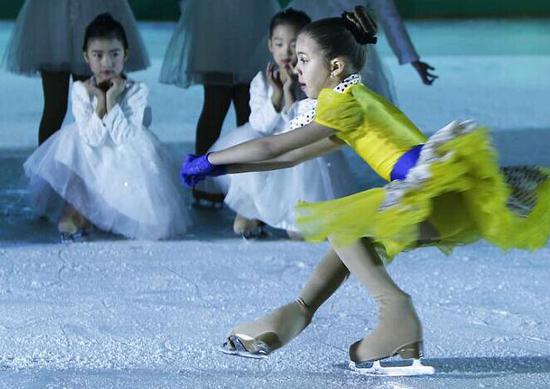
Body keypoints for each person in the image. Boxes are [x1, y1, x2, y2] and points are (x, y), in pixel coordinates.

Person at [180, 7, 550, 375]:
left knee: (345, 229)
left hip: (432, 194)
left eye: (305, 59)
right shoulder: (349, 102)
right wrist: (221, 167)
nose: (296, 67)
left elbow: (273, 147)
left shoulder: (345, 104)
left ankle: (397, 315)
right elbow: (287, 159)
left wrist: (210, 159)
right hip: (442, 199)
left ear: (336, 67)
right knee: (354, 245)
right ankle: (292, 317)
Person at [24, 13, 190, 242]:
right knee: (73, 142)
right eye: (98, 55)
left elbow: (125, 136)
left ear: (126, 54)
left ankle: (114, 212)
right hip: (92, 150)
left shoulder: (137, 90)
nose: (107, 63)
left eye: (114, 54)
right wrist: (100, 102)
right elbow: (92, 137)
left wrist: (111, 99)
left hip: (125, 155)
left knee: (153, 222)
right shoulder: (81, 90)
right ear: (86, 57)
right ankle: (78, 209)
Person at [199, 8, 358, 238]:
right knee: (242, 223)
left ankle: (294, 217)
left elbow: (306, 126)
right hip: (271, 143)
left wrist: (291, 92)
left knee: (301, 233)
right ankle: (252, 209)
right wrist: (276, 95)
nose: (286, 51)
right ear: (270, 46)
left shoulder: (316, 79)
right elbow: (259, 125)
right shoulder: (261, 81)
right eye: (279, 43)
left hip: (301, 145)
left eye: (294, 45)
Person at [159, 0, 280, 203]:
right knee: (216, 105)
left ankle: (250, 185)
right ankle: (203, 181)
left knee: (248, 108)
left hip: (250, 14)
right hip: (215, 16)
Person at [2, 0, 149, 145]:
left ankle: (99, 160)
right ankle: (46, 166)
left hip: (83, 10)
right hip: (53, 14)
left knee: (95, 101)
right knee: (56, 106)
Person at [287, 0, 437, 102]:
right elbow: (388, 16)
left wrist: (411, 57)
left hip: (348, 48)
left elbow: (388, 15)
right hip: (317, 47)